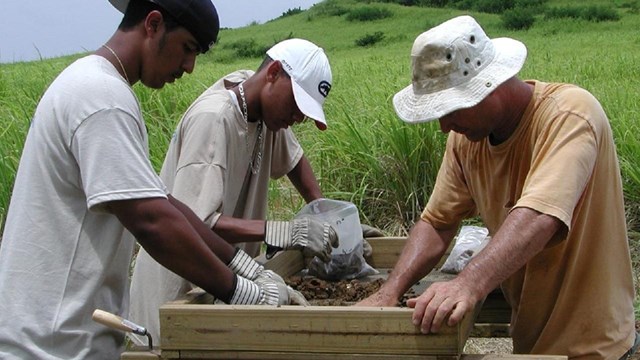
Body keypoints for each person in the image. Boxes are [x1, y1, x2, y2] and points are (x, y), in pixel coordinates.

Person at [0, 1, 303, 358]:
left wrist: (243, 265)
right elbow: (151, 221)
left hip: (62, 337)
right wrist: (240, 291)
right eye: (187, 48)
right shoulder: (102, 99)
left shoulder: (96, 86)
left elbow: (165, 203)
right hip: (51, 345)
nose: (189, 67)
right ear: (153, 24)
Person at [357, 15, 638, 359]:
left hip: (595, 344)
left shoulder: (569, 115)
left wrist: (468, 283)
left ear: (490, 84)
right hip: (532, 339)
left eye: (451, 109)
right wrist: (391, 290)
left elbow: (539, 217)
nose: (445, 125)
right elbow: (438, 223)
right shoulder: (466, 141)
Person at [128, 38, 383, 345]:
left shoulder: (262, 108)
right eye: (297, 105)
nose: (298, 118)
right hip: (180, 293)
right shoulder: (214, 120)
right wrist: (283, 231)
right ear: (274, 72)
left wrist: (328, 216)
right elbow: (194, 223)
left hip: (228, 283)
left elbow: (295, 160)